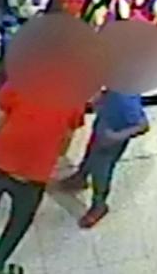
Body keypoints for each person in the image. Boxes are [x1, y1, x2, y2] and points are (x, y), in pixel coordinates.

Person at [0, 79, 86, 273]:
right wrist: (55, 154)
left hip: (3, 158)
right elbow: (66, 138)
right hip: (33, 176)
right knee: (18, 225)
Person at [59, 89, 149, 227]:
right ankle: (81, 177)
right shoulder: (117, 82)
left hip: (110, 143)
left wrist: (116, 137)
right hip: (102, 127)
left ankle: (99, 205)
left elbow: (142, 125)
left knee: (101, 172)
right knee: (90, 153)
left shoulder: (127, 98)